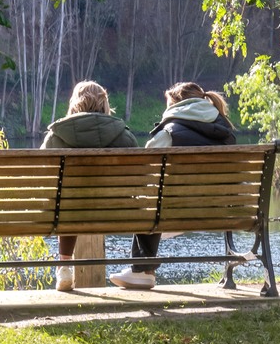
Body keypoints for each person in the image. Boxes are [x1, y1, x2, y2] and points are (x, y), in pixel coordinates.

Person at [113, 82, 239, 288]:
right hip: (220, 212)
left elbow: (145, 178)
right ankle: (142, 268)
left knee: (149, 198)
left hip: (171, 212)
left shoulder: (168, 134)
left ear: (175, 105)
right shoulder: (227, 134)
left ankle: (142, 268)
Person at [42, 81, 136, 290]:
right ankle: (142, 269)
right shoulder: (124, 135)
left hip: (66, 212)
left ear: (75, 103)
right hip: (119, 213)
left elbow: (43, 178)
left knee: (66, 202)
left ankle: (64, 267)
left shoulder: (56, 135)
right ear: (104, 103)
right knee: (69, 202)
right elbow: (142, 178)